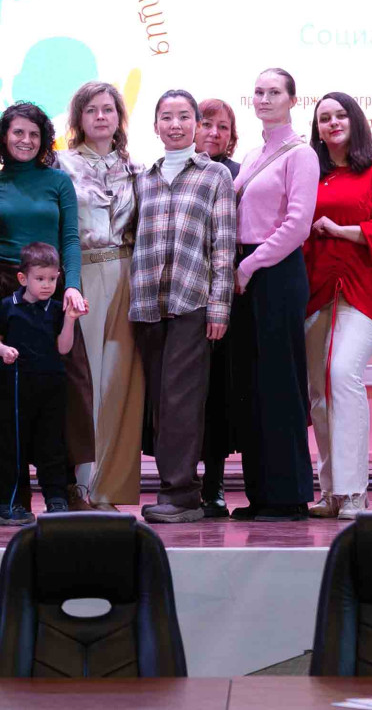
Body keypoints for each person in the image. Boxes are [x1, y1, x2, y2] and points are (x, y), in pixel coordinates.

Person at [0, 102, 87, 510]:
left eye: (34, 134)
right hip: (2, 289)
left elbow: (70, 239)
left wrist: (71, 288)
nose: (26, 140)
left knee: (60, 394)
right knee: (7, 405)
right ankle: (12, 499)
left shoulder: (59, 182)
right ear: (4, 137)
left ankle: (60, 492)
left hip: (52, 289)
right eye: (18, 132)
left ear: (44, 140)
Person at [303, 92, 372, 519]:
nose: (332, 123)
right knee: (319, 393)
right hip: (315, 293)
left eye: (340, 115)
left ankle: (354, 492)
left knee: (342, 373)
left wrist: (340, 230)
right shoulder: (310, 171)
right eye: (324, 118)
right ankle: (330, 490)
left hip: (364, 294)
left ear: (356, 120)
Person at [133, 90, 236, 524]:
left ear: (196, 125)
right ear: (155, 125)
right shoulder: (143, 178)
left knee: (182, 401)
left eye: (183, 117)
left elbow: (224, 246)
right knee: (160, 403)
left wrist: (219, 307)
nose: (175, 125)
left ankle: (181, 494)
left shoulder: (215, 176)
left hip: (191, 303)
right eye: (166, 117)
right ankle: (176, 490)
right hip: (146, 303)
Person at [229, 68, 320, 521]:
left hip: (276, 271)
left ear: (292, 100)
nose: (264, 99)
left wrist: (249, 265)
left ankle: (289, 495)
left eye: (274, 92)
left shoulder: (301, 154)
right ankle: (261, 493)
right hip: (245, 272)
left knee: (281, 384)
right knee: (253, 385)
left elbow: (297, 225)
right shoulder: (251, 155)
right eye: (258, 92)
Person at [56, 82, 146, 510]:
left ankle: (110, 489)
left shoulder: (137, 169)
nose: (100, 117)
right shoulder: (61, 165)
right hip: (83, 273)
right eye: (91, 110)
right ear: (79, 118)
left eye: (108, 109)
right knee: (84, 380)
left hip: (128, 273)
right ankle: (80, 484)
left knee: (120, 383)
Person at [0, 242, 80, 524]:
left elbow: (63, 348)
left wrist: (70, 321)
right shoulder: (9, 306)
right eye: (40, 279)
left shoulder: (57, 309)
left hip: (51, 386)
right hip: (16, 388)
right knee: (12, 446)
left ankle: (56, 499)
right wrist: (3, 351)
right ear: (23, 278)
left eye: (52, 279)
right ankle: (10, 503)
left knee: (52, 445)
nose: (47, 285)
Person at [195, 97, 240, 516]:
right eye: (206, 123)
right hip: (180, 300)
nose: (213, 132)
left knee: (218, 397)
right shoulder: (168, 171)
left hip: (226, 303)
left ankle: (214, 484)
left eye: (222, 127)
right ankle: (180, 482)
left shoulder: (240, 176)